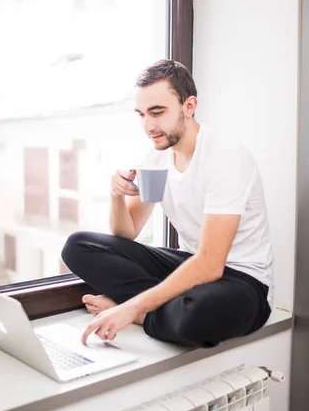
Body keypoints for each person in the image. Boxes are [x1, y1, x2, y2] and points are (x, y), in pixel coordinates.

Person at [61, 59, 273, 348]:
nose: (149, 126)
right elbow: (128, 233)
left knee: (195, 315)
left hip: (240, 280)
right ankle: (160, 311)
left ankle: (143, 313)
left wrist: (130, 309)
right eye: (142, 114)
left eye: (157, 113)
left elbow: (211, 265)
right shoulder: (157, 157)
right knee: (78, 246)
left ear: (189, 106)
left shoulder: (225, 157)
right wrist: (116, 196)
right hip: (190, 264)